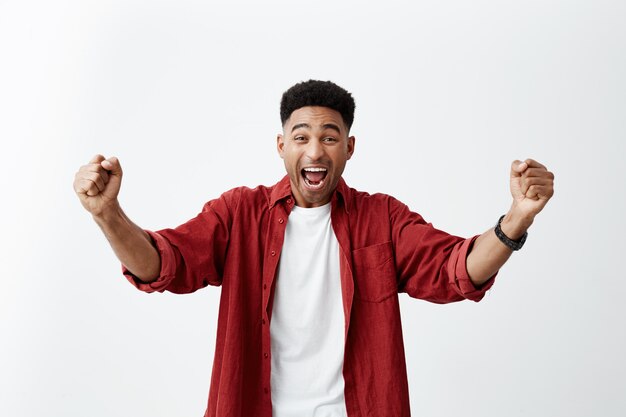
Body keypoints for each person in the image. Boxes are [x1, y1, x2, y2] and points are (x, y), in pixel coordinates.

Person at [73, 80, 554, 417]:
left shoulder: (381, 217)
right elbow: (164, 264)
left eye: (330, 137)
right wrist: (108, 215)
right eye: (301, 137)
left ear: (350, 147)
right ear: (281, 144)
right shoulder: (239, 213)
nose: (316, 150)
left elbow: (456, 271)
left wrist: (516, 218)